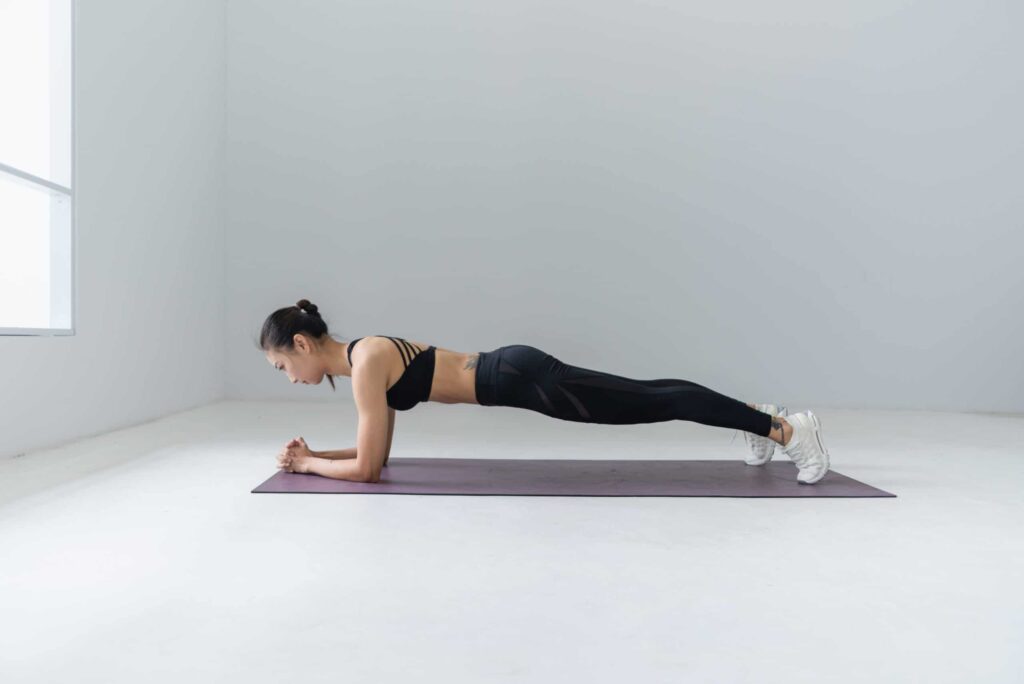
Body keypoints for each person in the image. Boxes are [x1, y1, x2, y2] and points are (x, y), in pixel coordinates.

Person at [260, 299, 831, 484]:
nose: (289, 378)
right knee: (651, 395)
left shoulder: (366, 364)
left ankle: (787, 430)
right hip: (515, 373)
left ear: (304, 345)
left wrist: (310, 465)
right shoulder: (365, 357)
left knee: (654, 400)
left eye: (283, 365)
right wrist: (312, 456)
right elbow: (374, 454)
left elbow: (367, 472)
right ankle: (760, 416)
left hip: (521, 379)